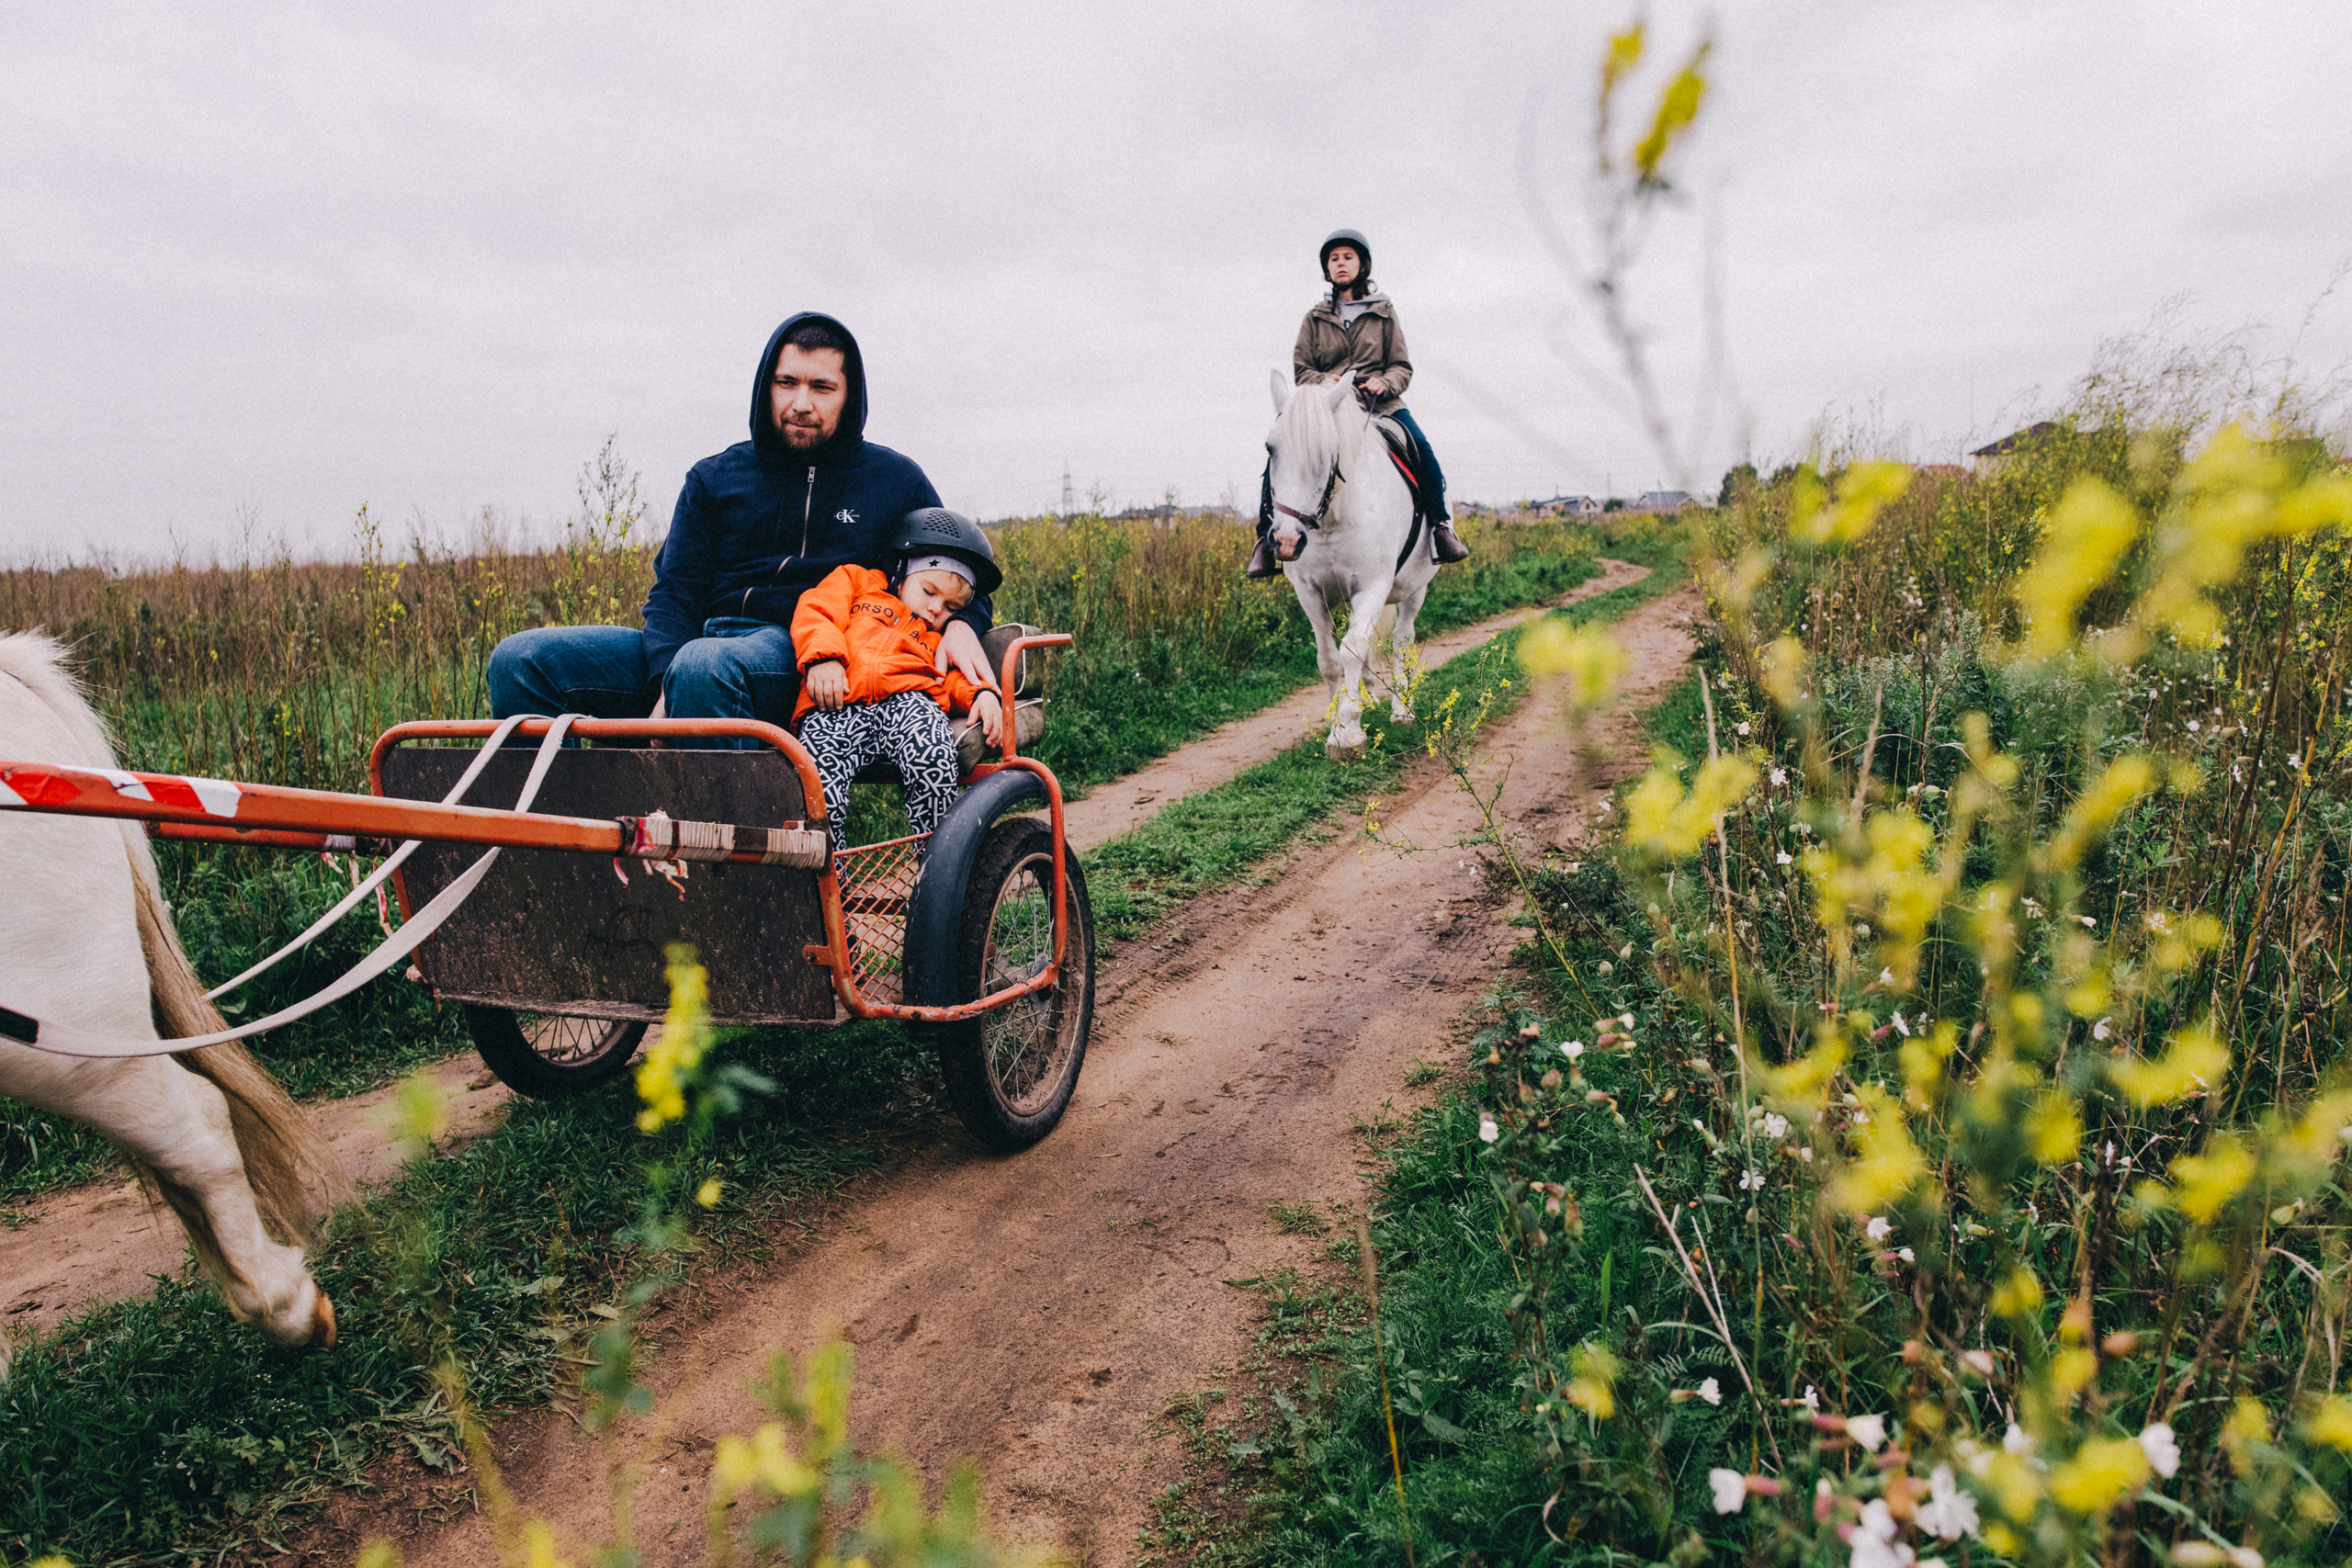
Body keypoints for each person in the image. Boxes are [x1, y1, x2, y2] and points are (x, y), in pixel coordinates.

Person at [486, 312, 994, 745]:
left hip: (803, 654)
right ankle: (564, 826)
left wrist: (962, 625)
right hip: (697, 648)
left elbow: (951, 572)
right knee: (521, 659)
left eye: (821, 387)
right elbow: (675, 595)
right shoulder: (714, 478)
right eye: (787, 383)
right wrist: (665, 680)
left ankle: (729, 834)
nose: (801, 403)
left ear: (849, 395)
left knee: (704, 666)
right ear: (766, 387)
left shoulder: (895, 481)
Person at [1247, 228, 1470, 579]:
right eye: (1334, 259)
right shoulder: (1314, 318)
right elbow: (1302, 370)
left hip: (1382, 406)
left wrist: (1385, 382)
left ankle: (1441, 528)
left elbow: (1401, 366)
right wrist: (1327, 383)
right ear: (1327, 268)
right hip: (1330, 408)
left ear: (1362, 265)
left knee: (1421, 446)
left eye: (1347, 257)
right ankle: (1265, 539)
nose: (1340, 263)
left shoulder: (1384, 312)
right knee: (1281, 448)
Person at [792, 508, 1005, 853]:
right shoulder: (859, 583)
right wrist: (824, 657)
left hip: (910, 705)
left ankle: (939, 863)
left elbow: (952, 677)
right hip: (839, 701)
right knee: (815, 780)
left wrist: (981, 693)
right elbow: (817, 611)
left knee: (932, 756)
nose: (936, 609)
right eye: (929, 591)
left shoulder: (939, 636)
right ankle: (827, 875)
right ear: (903, 572)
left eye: (952, 607)